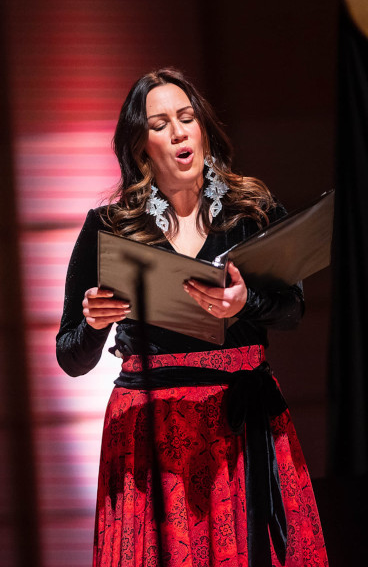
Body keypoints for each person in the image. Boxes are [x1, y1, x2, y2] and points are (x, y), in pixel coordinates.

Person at [56, 68, 329, 567]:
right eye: (160, 124)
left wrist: (246, 305)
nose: (179, 132)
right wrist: (95, 325)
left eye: (187, 118)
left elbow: (293, 309)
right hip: (152, 430)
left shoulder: (252, 211)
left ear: (203, 128)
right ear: (141, 147)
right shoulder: (109, 228)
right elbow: (69, 357)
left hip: (242, 422)